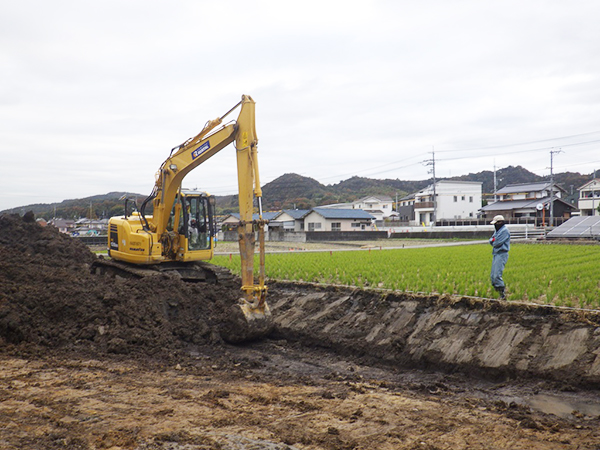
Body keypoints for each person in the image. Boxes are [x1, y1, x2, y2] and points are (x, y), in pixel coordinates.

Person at [489, 215, 510, 299]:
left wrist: (493, 240)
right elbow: (491, 240)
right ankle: (496, 293)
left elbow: (496, 243)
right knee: (492, 275)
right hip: (496, 253)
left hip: (502, 254)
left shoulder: (504, 231)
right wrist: (493, 240)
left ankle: (502, 294)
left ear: (500, 222)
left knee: (497, 275)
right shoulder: (498, 230)